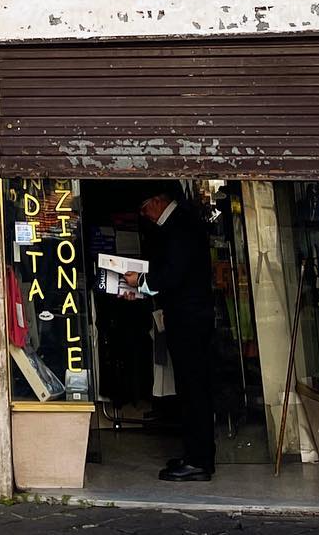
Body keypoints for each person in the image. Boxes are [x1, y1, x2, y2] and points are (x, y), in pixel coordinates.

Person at [127, 185, 216, 482]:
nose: (144, 216)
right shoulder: (181, 225)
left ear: (157, 201)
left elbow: (172, 275)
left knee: (194, 389)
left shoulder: (181, 227)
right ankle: (195, 455)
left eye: (144, 208)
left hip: (190, 320)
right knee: (192, 388)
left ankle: (199, 461)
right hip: (188, 318)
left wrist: (140, 281)